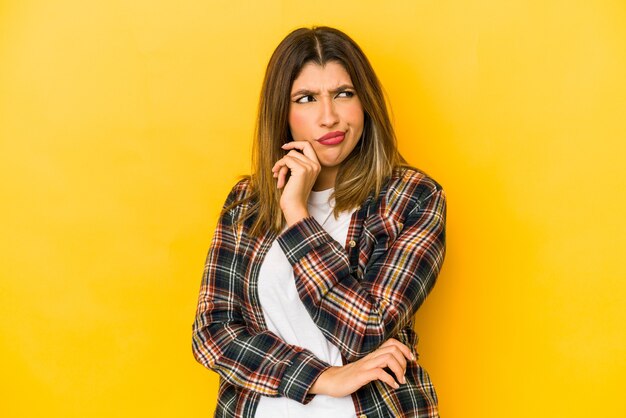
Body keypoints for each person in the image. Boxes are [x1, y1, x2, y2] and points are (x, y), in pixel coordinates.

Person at [192, 26, 447, 418]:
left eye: (343, 94)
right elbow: (214, 334)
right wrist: (323, 377)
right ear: (283, 113)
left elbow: (366, 329)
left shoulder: (413, 198)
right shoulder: (248, 203)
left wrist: (296, 215)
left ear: (365, 104)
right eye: (306, 98)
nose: (329, 117)